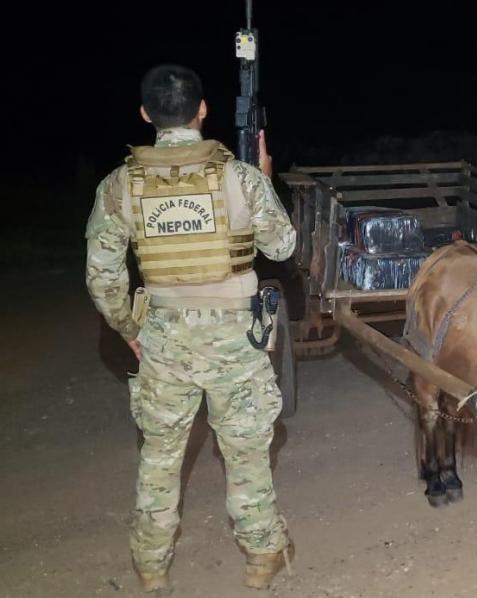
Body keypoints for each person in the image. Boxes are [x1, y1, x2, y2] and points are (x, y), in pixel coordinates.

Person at [85, 64, 296, 592]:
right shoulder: (240, 178)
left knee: (159, 458)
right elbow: (283, 247)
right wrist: (264, 181)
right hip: (234, 342)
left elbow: (103, 274)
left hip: (163, 341)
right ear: (203, 110)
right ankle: (261, 558)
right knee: (245, 453)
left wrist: (126, 328)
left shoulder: (119, 186)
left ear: (145, 113)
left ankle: (152, 569)